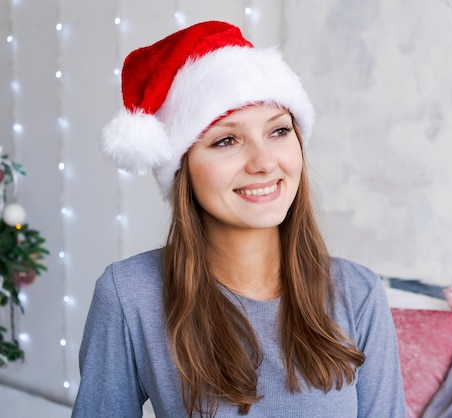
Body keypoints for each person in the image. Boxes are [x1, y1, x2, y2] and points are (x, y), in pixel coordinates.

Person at [72, 21, 406, 418]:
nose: (265, 163)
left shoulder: (357, 292)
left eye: (279, 131)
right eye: (226, 140)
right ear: (183, 169)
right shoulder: (130, 294)